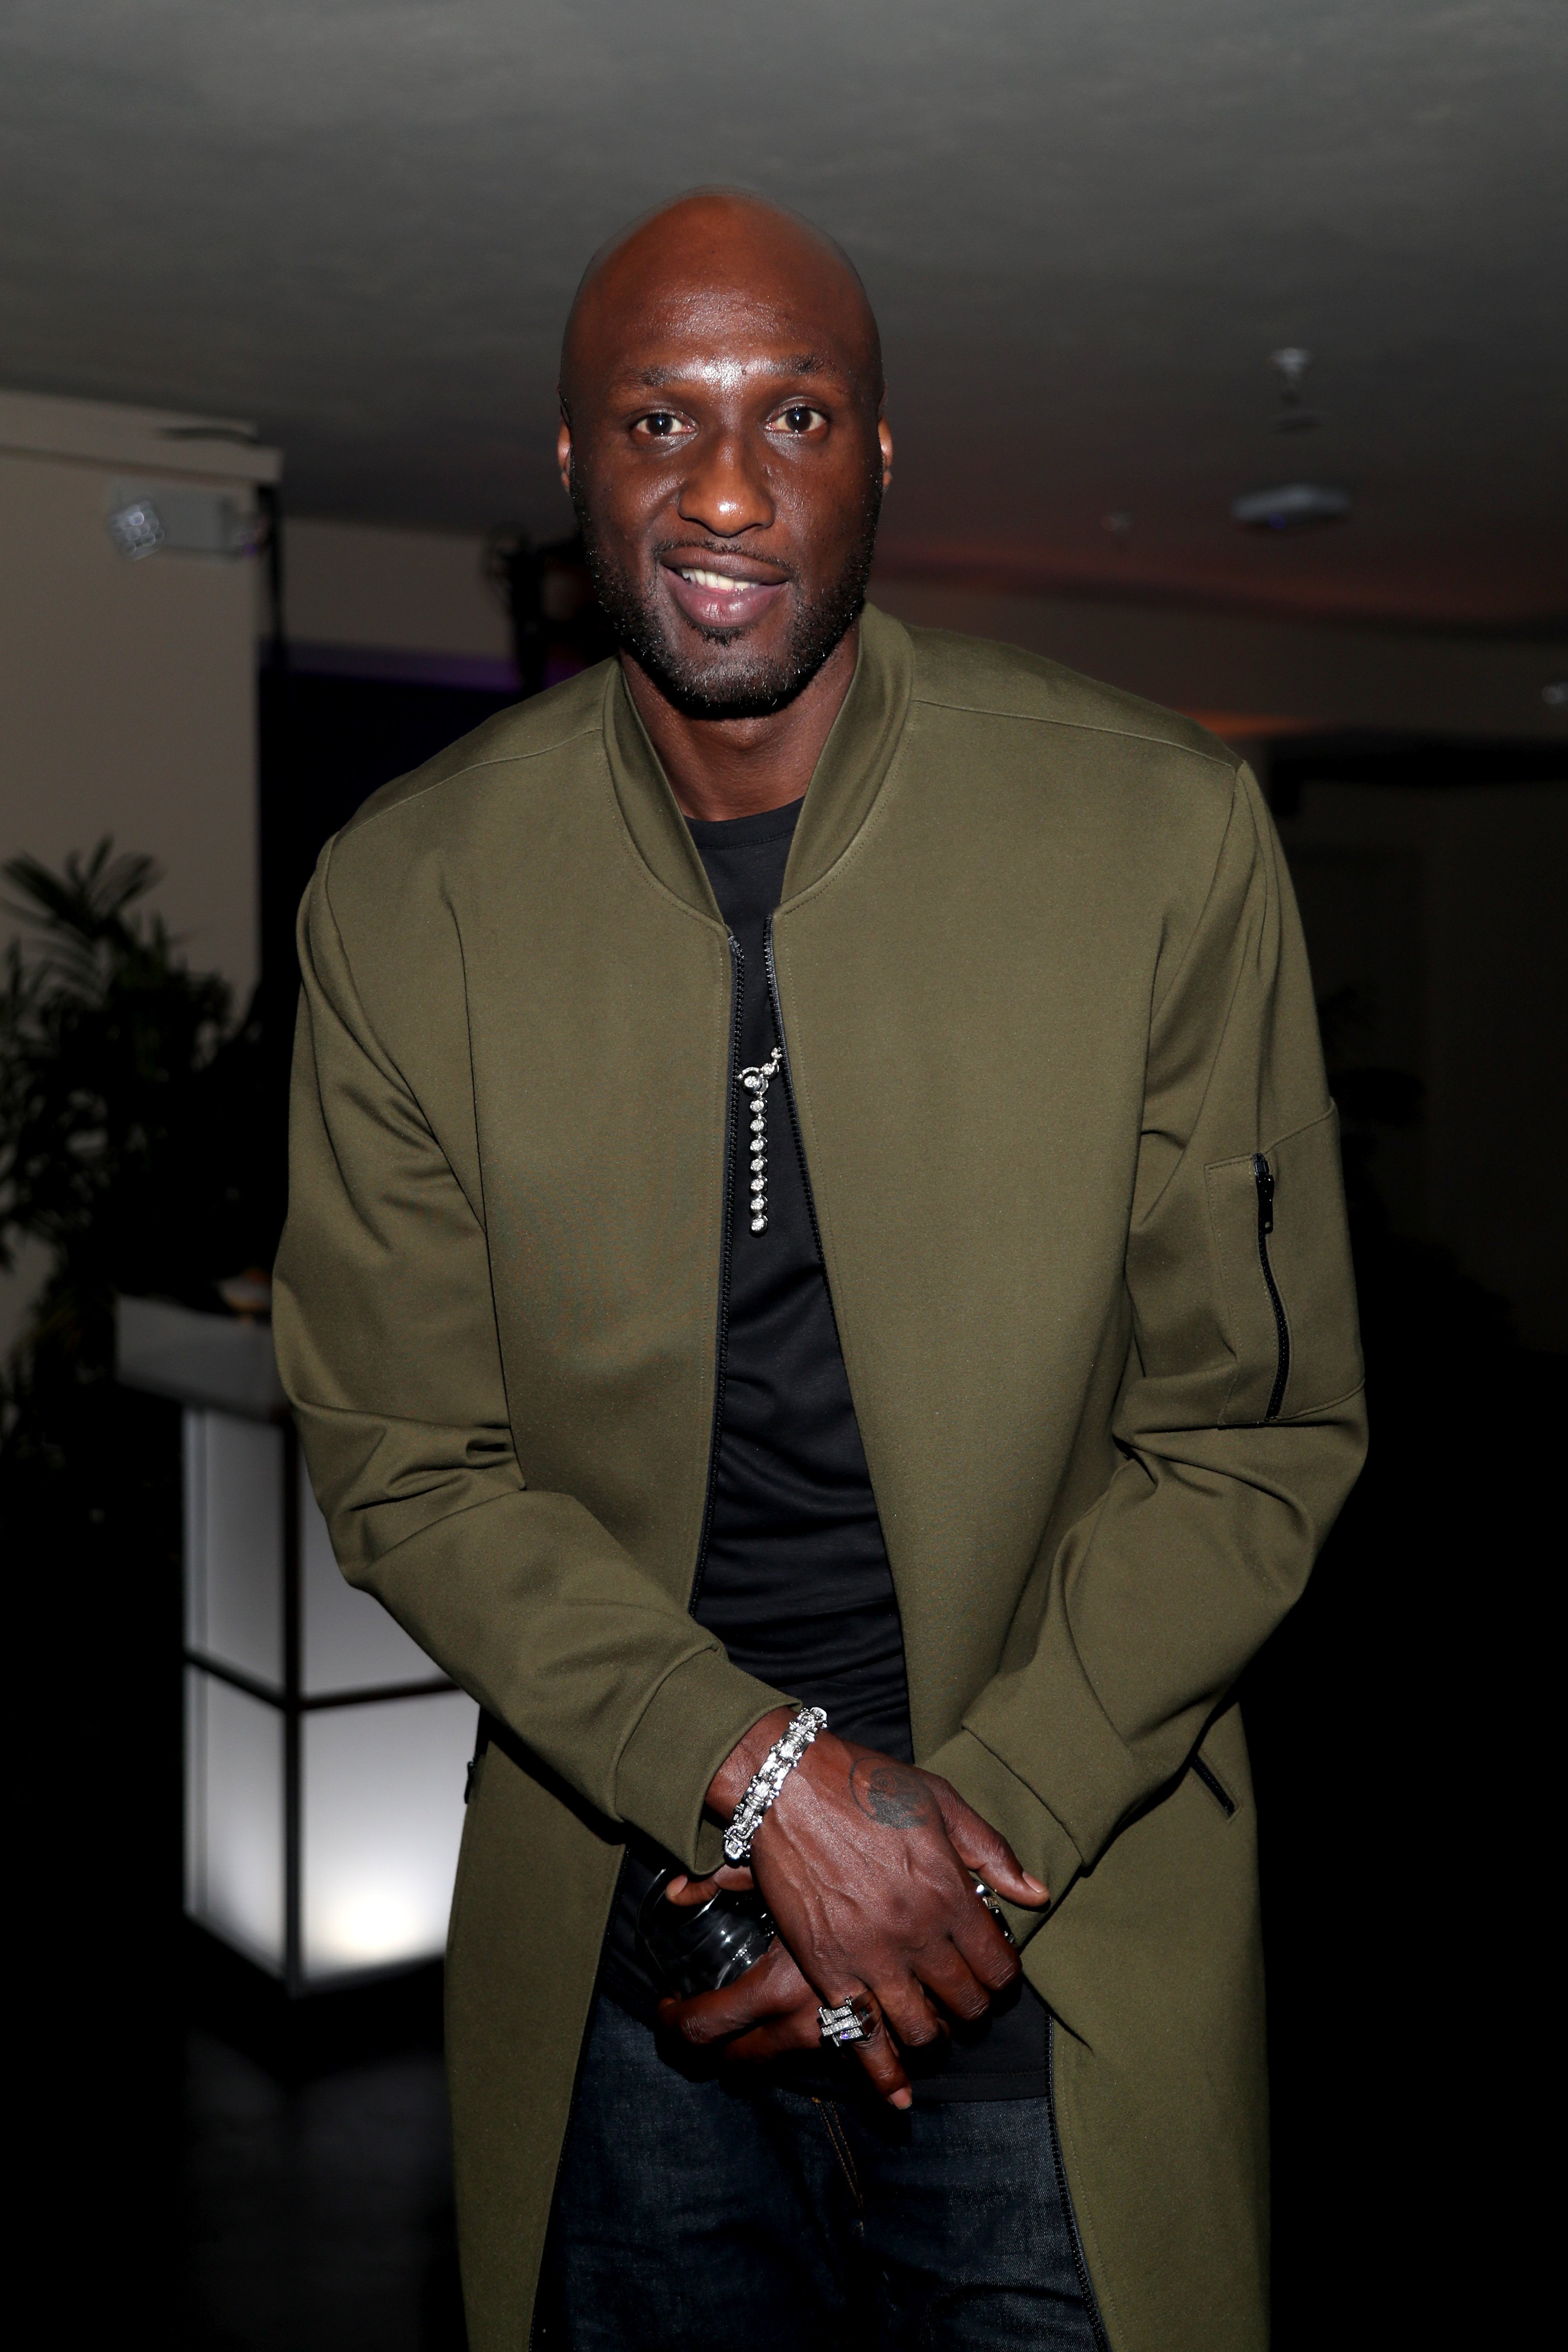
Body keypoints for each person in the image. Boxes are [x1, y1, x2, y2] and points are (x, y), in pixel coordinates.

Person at [274, 188, 1366, 2352]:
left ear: (884, 451)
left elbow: (1249, 1436)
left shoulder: (1158, 833)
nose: (728, 484)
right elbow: (407, 1456)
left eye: (797, 411)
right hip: (630, 1931)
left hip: (1050, 1919)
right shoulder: (407, 897)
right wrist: (762, 1775)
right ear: (571, 459)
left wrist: (957, 1844)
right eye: (658, 416)